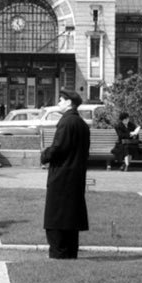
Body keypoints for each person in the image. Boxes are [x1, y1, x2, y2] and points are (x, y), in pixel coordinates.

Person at [40, 91, 91, 259]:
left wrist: (45, 155)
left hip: (62, 175)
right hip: (76, 175)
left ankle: (58, 252)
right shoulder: (81, 124)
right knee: (71, 215)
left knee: (57, 215)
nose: (59, 102)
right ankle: (70, 252)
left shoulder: (67, 123)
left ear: (69, 103)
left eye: (61, 100)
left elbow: (59, 147)